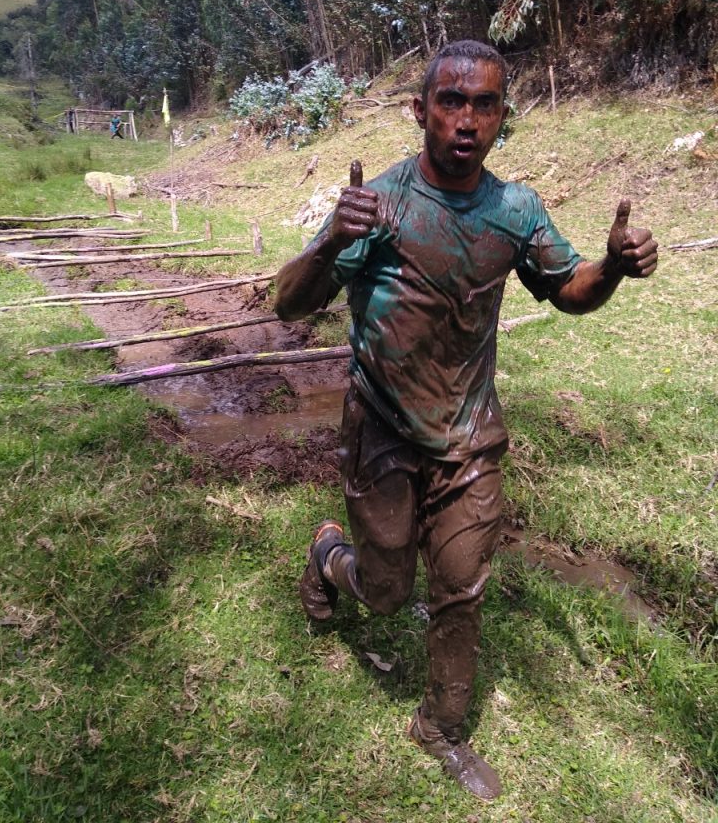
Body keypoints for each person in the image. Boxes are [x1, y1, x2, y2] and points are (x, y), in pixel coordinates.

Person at [273, 39, 658, 801]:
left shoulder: (515, 210)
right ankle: (328, 557)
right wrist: (331, 240)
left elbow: (569, 290)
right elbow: (289, 303)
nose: (466, 120)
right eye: (451, 101)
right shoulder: (378, 203)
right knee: (385, 592)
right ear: (420, 110)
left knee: (460, 590)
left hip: (472, 440)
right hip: (381, 428)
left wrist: (611, 266)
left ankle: (439, 727)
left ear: (502, 120)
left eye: (485, 105)